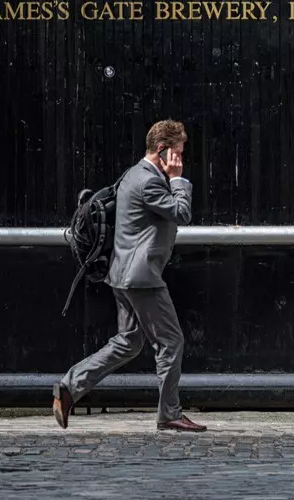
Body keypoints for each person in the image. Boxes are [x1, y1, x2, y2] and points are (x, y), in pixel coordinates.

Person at [53, 119, 205, 432]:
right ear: (162, 150)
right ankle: (170, 414)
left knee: (128, 342)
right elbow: (182, 213)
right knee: (171, 341)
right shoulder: (149, 180)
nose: (181, 159)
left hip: (123, 275)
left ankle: (69, 387)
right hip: (141, 278)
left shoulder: (132, 175)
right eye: (177, 152)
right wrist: (178, 179)